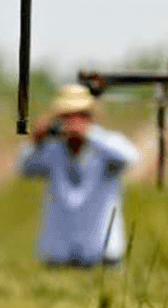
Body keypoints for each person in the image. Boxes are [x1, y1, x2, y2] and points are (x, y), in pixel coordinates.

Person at [17, 84, 141, 268]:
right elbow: (24, 167)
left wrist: (88, 133)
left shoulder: (106, 145)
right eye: (66, 117)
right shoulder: (52, 150)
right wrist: (37, 142)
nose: (71, 123)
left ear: (90, 117)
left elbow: (129, 157)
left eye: (80, 116)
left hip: (102, 253)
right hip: (59, 254)